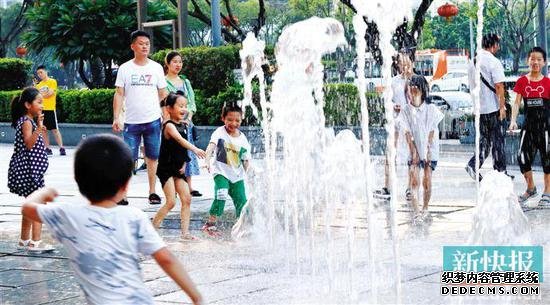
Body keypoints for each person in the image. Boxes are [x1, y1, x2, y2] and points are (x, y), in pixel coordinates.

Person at [20, 135, 203, 305]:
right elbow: (166, 259)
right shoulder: (133, 217)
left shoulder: (68, 215)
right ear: (125, 186)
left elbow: (27, 208)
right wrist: (196, 297)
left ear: (78, 180)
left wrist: (44, 192)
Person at [113, 30, 168, 205]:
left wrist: (161, 114)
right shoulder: (125, 68)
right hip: (130, 121)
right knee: (128, 159)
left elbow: (163, 93)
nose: (145, 46)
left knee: (153, 157)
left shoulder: (156, 68)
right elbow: (119, 94)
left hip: (152, 120)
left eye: (147, 44)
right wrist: (116, 117)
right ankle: (123, 194)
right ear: (133, 46)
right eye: (141, 43)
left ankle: (152, 192)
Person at [152, 93, 206, 240]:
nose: (184, 109)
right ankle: (151, 229)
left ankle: (185, 233)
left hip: (177, 168)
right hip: (166, 169)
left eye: (185, 106)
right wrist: (195, 149)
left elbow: (180, 149)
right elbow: (179, 140)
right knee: (171, 201)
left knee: (187, 198)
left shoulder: (184, 125)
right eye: (180, 106)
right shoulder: (169, 126)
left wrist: (184, 163)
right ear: (169, 108)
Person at [8, 87, 54, 252]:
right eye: (39, 102)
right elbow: (29, 143)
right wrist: (38, 129)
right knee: (38, 205)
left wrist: (40, 125)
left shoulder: (29, 121)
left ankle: (24, 240)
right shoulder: (27, 122)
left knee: (30, 204)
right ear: (28, 104)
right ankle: (36, 242)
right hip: (29, 170)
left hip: (28, 169)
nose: (42, 105)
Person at [466, 33, 512, 181]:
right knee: (498, 141)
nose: (498, 47)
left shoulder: (473, 62)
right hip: (493, 109)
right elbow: (499, 86)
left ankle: (473, 165)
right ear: (494, 45)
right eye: (497, 44)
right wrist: (502, 107)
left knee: (485, 141)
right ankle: (500, 173)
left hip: (480, 110)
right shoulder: (493, 61)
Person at [398, 75, 444, 222]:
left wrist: (426, 151)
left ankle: (425, 208)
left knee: (427, 180)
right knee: (414, 180)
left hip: (430, 149)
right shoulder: (405, 110)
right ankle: (417, 211)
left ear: (422, 90)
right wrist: (414, 151)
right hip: (414, 149)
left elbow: (431, 132)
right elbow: (407, 132)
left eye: (415, 87)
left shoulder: (431, 109)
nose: (412, 90)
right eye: (410, 88)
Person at [509, 46, 550, 207]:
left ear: (544, 62)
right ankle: (531, 188)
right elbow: (517, 102)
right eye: (533, 59)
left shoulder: (547, 83)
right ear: (528, 60)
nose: (535, 62)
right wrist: (513, 120)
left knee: (548, 159)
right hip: (529, 127)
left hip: (546, 127)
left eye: (539, 59)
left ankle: (547, 191)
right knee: (522, 157)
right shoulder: (522, 81)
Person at [202, 103, 251, 236]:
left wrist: (250, 174)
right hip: (221, 173)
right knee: (221, 194)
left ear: (241, 120)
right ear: (223, 118)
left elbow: (245, 160)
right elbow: (211, 146)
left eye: (237, 120)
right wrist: (207, 161)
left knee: (242, 202)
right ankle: (210, 224)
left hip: (237, 176)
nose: (233, 123)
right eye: (229, 119)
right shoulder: (220, 132)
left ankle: (241, 226)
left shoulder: (243, 139)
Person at [374, 52, 413, 200]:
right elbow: (387, 100)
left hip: (410, 123)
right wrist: (393, 106)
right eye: (400, 64)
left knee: (412, 154)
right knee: (390, 153)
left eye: (405, 64)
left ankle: (410, 187)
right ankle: (388, 187)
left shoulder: (414, 80)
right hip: (396, 122)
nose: (403, 67)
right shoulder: (394, 81)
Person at [164, 51, 203, 197]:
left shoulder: (185, 82)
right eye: (174, 61)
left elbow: (192, 103)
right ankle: (174, 187)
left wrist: (188, 117)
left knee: (187, 154)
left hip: (186, 123)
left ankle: (189, 185)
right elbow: (164, 103)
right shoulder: (163, 82)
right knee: (173, 154)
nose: (178, 65)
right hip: (171, 124)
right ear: (167, 63)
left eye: (180, 62)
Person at [35, 65, 66, 156]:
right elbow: (38, 98)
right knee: (44, 130)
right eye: (38, 73)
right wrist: (42, 94)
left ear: (46, 72)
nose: (39, 74)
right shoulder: (38, 85)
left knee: (55, 129)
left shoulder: (52, 82)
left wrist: (41, 94)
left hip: (51, 109)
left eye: (41, 72)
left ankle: (61, 148)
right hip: (41, 110)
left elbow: (50, 93)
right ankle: (47, 148)